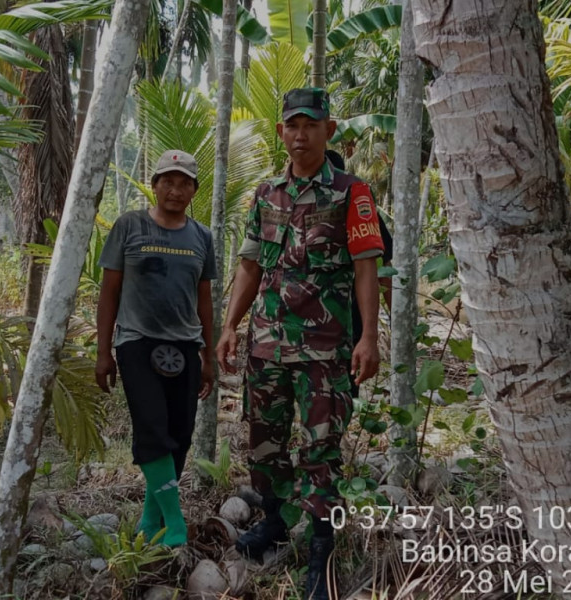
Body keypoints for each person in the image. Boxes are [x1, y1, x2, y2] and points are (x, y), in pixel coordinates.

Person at [216, 88, 384, 600]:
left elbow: (366, 267)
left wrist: (369, 336)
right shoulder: (266, 194)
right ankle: (275, 521)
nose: (301, 135)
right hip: (267, 345)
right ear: (281, 131)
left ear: (328, 130)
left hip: (325, 350)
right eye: (293, 125)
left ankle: (321, 548)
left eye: (311, 125)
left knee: (321, 451)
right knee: (264, 444)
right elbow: (250, 265)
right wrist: (230, 326)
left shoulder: (352, 193)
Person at [94, 149, 216, 548]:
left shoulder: (201, 237)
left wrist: (209, 355)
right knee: (151, 427)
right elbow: (109, 292)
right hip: (137, 342)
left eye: (184, 184)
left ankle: (150, 521)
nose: (175, 191)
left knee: (179, 434)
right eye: (168, 182)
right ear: (155, 185)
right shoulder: (129, 226)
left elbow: (204, 300)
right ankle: (176, 524)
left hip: (185, 344)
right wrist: (103, 352)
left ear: (194, 190)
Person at [324, 149, 394, 399]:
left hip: (346, 321)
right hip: (295, 331)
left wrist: (391, 319)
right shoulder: (286, 201)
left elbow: (381, 265)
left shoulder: (356, 202)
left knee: (340, 395)